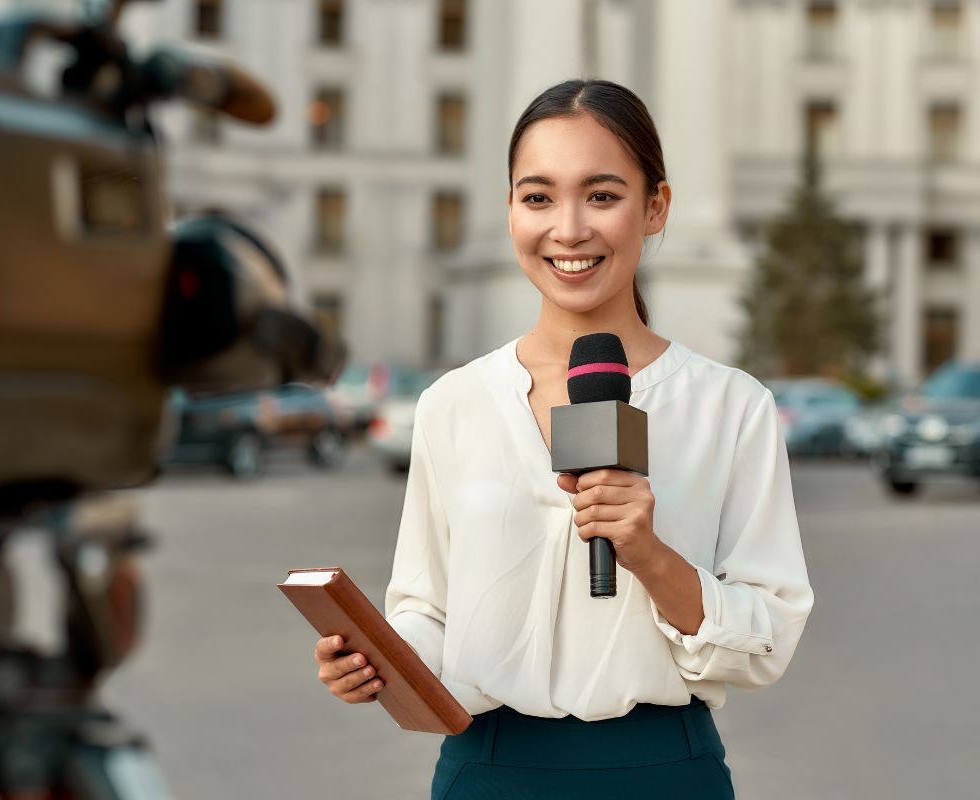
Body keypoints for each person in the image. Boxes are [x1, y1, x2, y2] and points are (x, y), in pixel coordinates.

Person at [313, 78, 814, 798]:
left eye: (602, 196)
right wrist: (376, 658)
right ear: (511, 209)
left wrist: (648, 553)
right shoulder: (455, 403)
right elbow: (425, 608)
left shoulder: (731, 407)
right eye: (538, 197)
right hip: (487, 768)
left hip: (664, 770)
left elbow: (768, 635)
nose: (569, 228)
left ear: (655, 208)